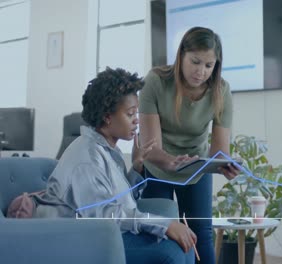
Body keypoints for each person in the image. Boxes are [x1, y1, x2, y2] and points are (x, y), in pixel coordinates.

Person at [34, 67, 196, 264]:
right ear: (107, 117)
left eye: (136, 112)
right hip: (80, 241)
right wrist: (164, 224)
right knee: (171, 254)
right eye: (130, 114)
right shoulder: (87, 160)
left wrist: (136, 168)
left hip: (104, 234)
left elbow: (115, 200)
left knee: (183, 246)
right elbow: (105, 216)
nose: (137, 120)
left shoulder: (108, 149)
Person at [138, 27, 241, 263]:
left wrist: (225, 166)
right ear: (181, 55)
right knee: (156, 234)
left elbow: (219, 152)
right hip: (157, 167)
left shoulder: (221, 90)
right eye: (195, 61)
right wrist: (171, 162)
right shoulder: (156, 81)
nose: (201, 71)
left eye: (208, 65)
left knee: (201, 235)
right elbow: (150, 148)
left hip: (196, 167)